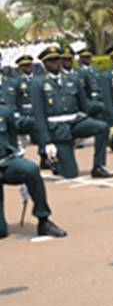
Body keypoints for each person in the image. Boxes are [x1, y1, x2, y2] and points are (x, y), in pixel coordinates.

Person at [31, 46, 111, 179]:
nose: (55, 63)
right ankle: (57, 161)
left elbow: (84, 106)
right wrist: (47, 142)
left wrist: (103, 109)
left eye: (57, 59)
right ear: (44, 64)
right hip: (57, 129)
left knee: (101, 127)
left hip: (75, 123)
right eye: (51, 60)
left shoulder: (72, 79)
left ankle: (98, 166)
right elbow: (39, 115)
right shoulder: (38, 83)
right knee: (70, 174)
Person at [0, 102, 67, 239]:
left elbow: (13, 136)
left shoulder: (4, 111)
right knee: (1, 232)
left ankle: (43, 220)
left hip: (6, 162)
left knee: (30, 169)